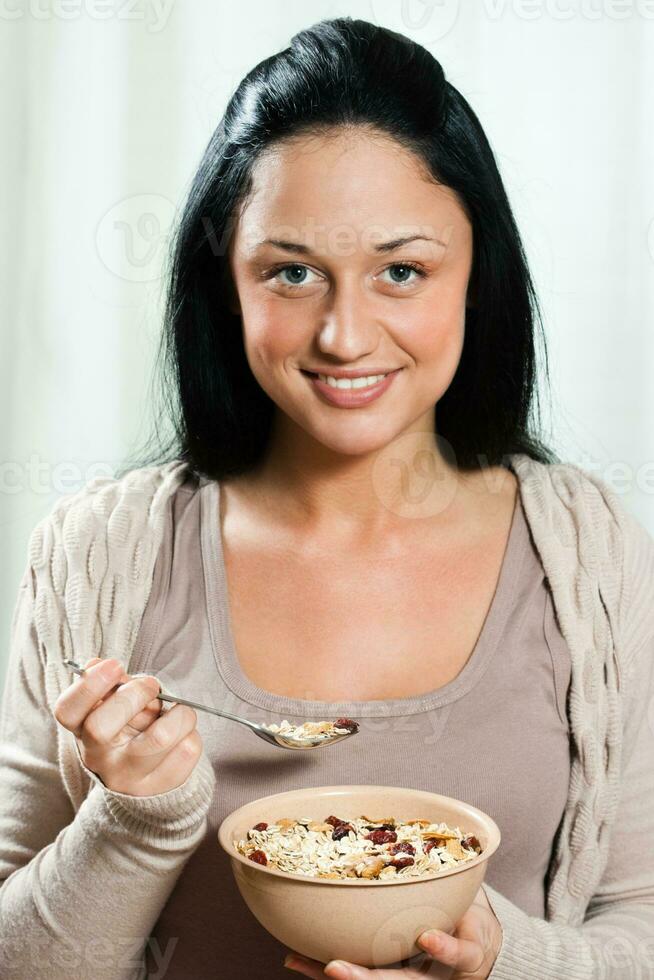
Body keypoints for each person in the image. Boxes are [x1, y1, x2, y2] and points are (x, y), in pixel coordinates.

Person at [1, 16, 653, 980]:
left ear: (479, 277)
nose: (346, 336)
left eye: (402, 271)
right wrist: (138, 821)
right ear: (225, 279)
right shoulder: (99, 555)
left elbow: (637, 919)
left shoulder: (588, 548)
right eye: (292, 272)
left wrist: (506, 962)